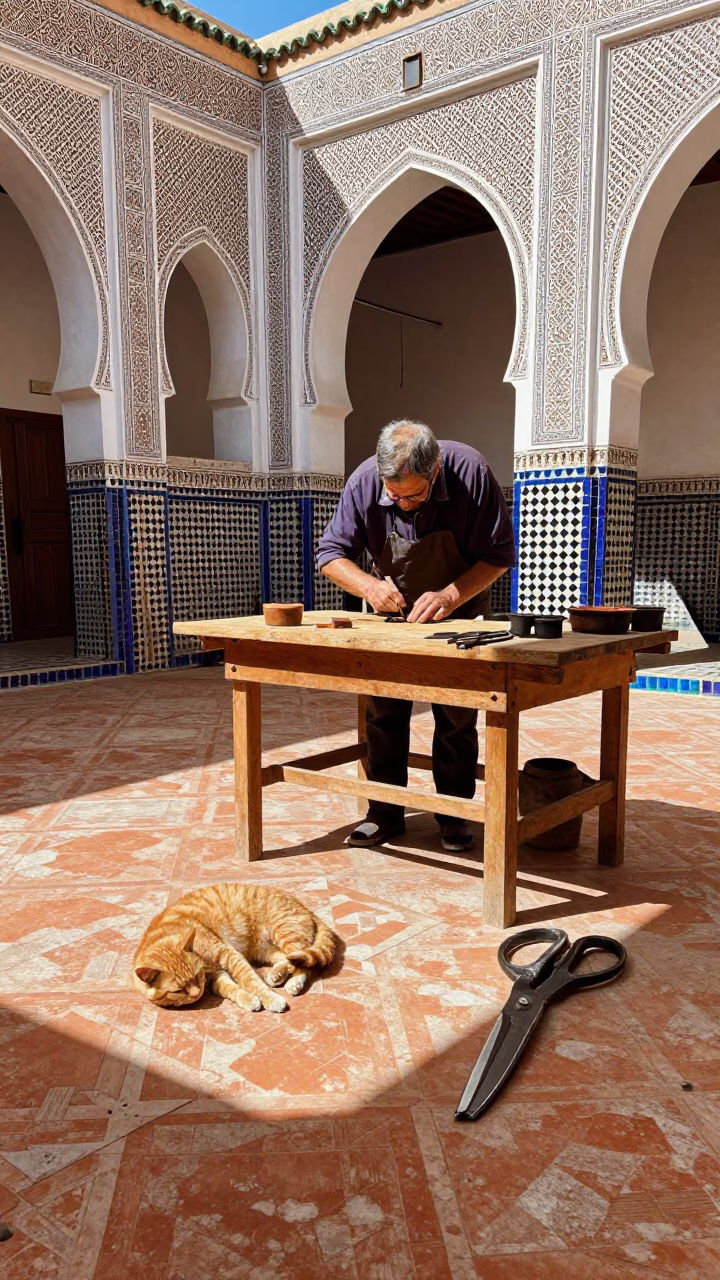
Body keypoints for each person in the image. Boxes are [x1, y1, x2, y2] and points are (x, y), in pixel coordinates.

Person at [316, 421, 515, 852]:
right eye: (394, 495)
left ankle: (454, 813)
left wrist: (451, 594)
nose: (403, 505)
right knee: (384, 714)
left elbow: (498, 554)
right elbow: (331, 554)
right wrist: (368, 587)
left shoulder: (471, 471)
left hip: (459, 615)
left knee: (457, 718)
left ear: (437, 468)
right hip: (392, 617)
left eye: (415, 495)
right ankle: (384, 811)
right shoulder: (363, 482)